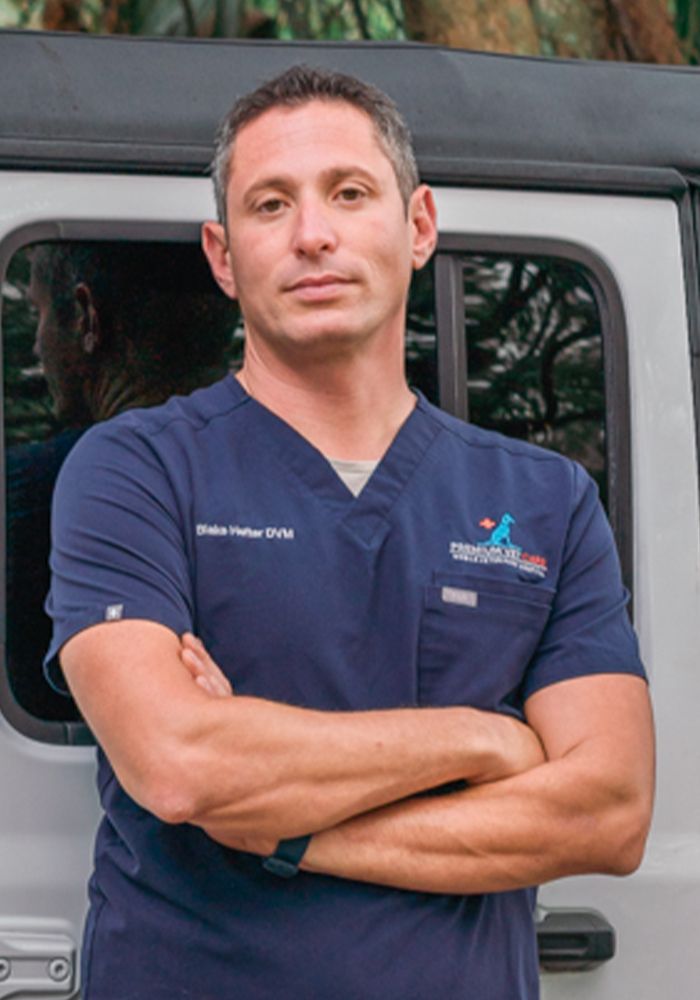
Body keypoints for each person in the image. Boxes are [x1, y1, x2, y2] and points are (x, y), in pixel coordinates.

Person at [44, 66, 654, 999]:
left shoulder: (548, 499)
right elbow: (181, 767)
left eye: (349, 193)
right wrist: (485, 739)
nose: (312, 234)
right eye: (270, 204)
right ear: (222, 254)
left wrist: (290, 833)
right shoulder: (134, 470)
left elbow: (608, 813)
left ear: (417, 227)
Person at [7, 242, 234, 720]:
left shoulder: (28, 489)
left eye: (39, 311)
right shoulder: (298, 469)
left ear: (87, 319)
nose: (36, 343)